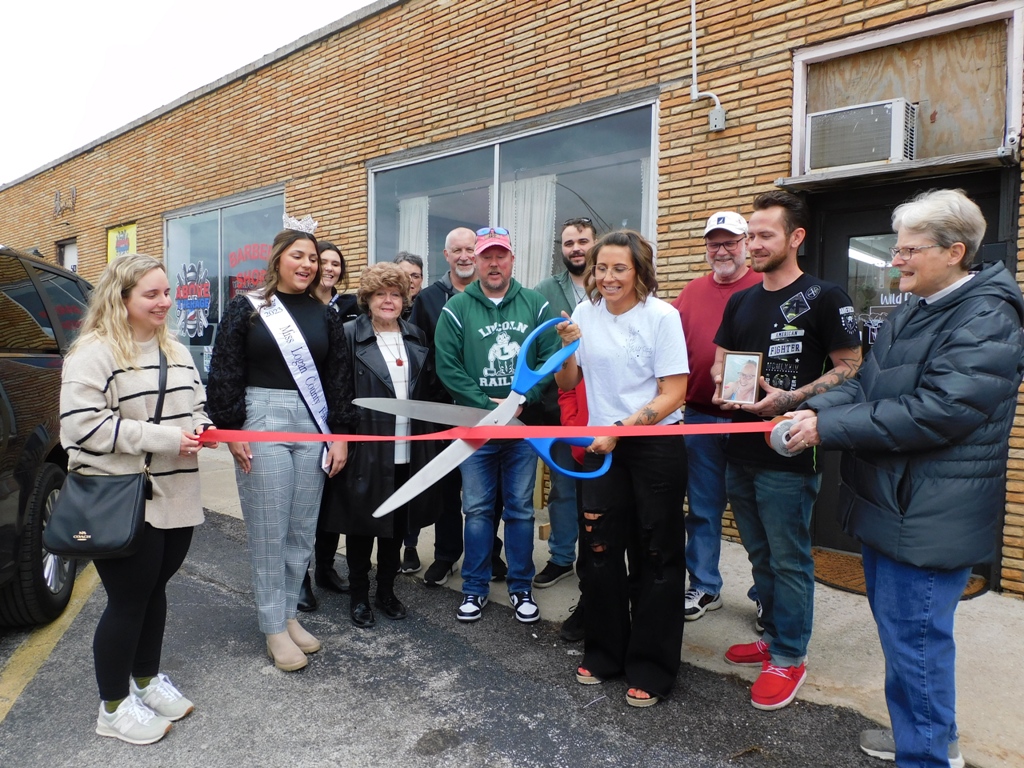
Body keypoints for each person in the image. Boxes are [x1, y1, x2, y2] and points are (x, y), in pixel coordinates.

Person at [786, 189, 1023, 768]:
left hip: (927, 513)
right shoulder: (918, 309)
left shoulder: (987, 316)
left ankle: (928, 755)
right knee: (905, 641)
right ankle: (928, 736)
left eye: (909, 250)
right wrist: (808, 409)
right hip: (893, 504)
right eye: (896, 249)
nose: (896, 260)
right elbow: (869, 388)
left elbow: (939, 410)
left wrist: (827, 428)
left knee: (916, 645)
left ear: (954, 251)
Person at [712, 190, 862, 711]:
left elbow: (850, 367)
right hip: (739, 446)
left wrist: (794, 399)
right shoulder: (741, 300)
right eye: (750, 236)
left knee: (789, 557)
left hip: (789, 452)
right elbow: (724, 360)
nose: (753, 244)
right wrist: (723, 383)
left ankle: (790, 655)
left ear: (795, 237)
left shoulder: (826, 296)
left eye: (764, 235)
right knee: (758, 552)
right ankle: (775, 632)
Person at [60, 253, 213, 744]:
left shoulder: (177, 350)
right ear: (120, 298)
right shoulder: (93, 353)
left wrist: (204, 428)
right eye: (151, 294)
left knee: (155, 589)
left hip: (177, 490)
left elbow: (197, 405)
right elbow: (81, 428)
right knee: (128, 600)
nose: (164, 302)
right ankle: (112, 707)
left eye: (167, 292)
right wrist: (166, 439)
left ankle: (145, 681)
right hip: (122, 494)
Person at [207, 222, 354, 673]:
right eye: (298, 256)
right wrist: (232, 429)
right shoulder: (247, 307)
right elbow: (225, 368)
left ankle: (289, 615)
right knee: (270, 529)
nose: (307, 264)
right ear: (277, 259)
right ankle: (272, 626)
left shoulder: (325, 314)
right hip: (261, 417)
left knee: (301, 529)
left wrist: (340, 433)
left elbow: (338, 377)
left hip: (312, 423)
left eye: (313, 258)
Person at [554, 229, 689, 708]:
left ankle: (652, 666)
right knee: (600, 549)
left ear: (639, 271)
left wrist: (622, 429)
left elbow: (674, 393)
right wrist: (566, 349)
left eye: (619, 268)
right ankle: (605, 652)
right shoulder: (584, 314)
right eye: (601, 268)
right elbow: (568, 382)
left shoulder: (662, 316)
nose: (608, 277)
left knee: (656, 553)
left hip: (653, 445)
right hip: (601, 444)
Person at [434, 226, 558, 623]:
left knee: (520, 510)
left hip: (520, 430)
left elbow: (550, 359)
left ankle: (521, 587)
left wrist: (521, 400)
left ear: (511, 259)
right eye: (486, 256)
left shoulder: (536, 304)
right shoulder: (457, 309)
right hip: (477, 430)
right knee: (477, 510)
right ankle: (474, 587)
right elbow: (447, 366)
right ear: (476, 261)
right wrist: (485, 405)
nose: (493, 263)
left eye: (500, 255)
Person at [320, 262, 440, 627]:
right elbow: (337, 391)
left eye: (395, 294)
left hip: (409, 447)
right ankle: (359, 595)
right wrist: (340, 437)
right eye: (380, 294)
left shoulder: (416, 335)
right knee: (362, 526)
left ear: (404, 299)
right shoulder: (348, 335)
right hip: (367, 448)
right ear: (367, 298)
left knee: (397, 527)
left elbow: (427, 390)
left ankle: (386, 590)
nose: (388, 301)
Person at [672, 211, 762, 623]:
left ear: (746, 244)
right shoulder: (691, 291)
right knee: (703, 507)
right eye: (714, 243)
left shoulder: (764, 287)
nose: (721, 250)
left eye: (730, 242)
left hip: (752, 419)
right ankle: (705, 585)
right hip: (699, 416)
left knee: (756, 511)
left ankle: (765, 592)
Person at [405, 227, 506, 586]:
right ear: (446, 256)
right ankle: (447, 554)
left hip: (490, 412)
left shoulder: (495, 296)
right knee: (448, 488)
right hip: (445, 411)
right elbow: (418, 354)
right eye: (457, 250)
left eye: (470, 249)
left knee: (489, 490)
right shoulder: (428, 299)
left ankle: (488, 553)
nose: (464, 256)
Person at [532, 218, 593, 588]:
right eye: (569, 243)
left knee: (603, 489)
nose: (576, 248)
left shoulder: (610, 286)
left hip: (603, 409)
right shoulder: (545, 291)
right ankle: (561, 556)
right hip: (560, 407)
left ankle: (598, 557)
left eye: (583, 241)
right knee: (564, 487)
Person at [300, 239, 356, 611]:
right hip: (304, 410)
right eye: (324, 262)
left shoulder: (351, 307)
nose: (330, 268)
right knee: (304, 500)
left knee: (332, 495)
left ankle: (324, 567)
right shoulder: (297, 307)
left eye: (336, 263)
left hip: (337, 408)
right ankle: (299, 576)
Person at [314, 240, 360, 323]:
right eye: (322, 263)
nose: (329, 268)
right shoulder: (295, 306)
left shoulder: (354, 307)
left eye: (335, 264)